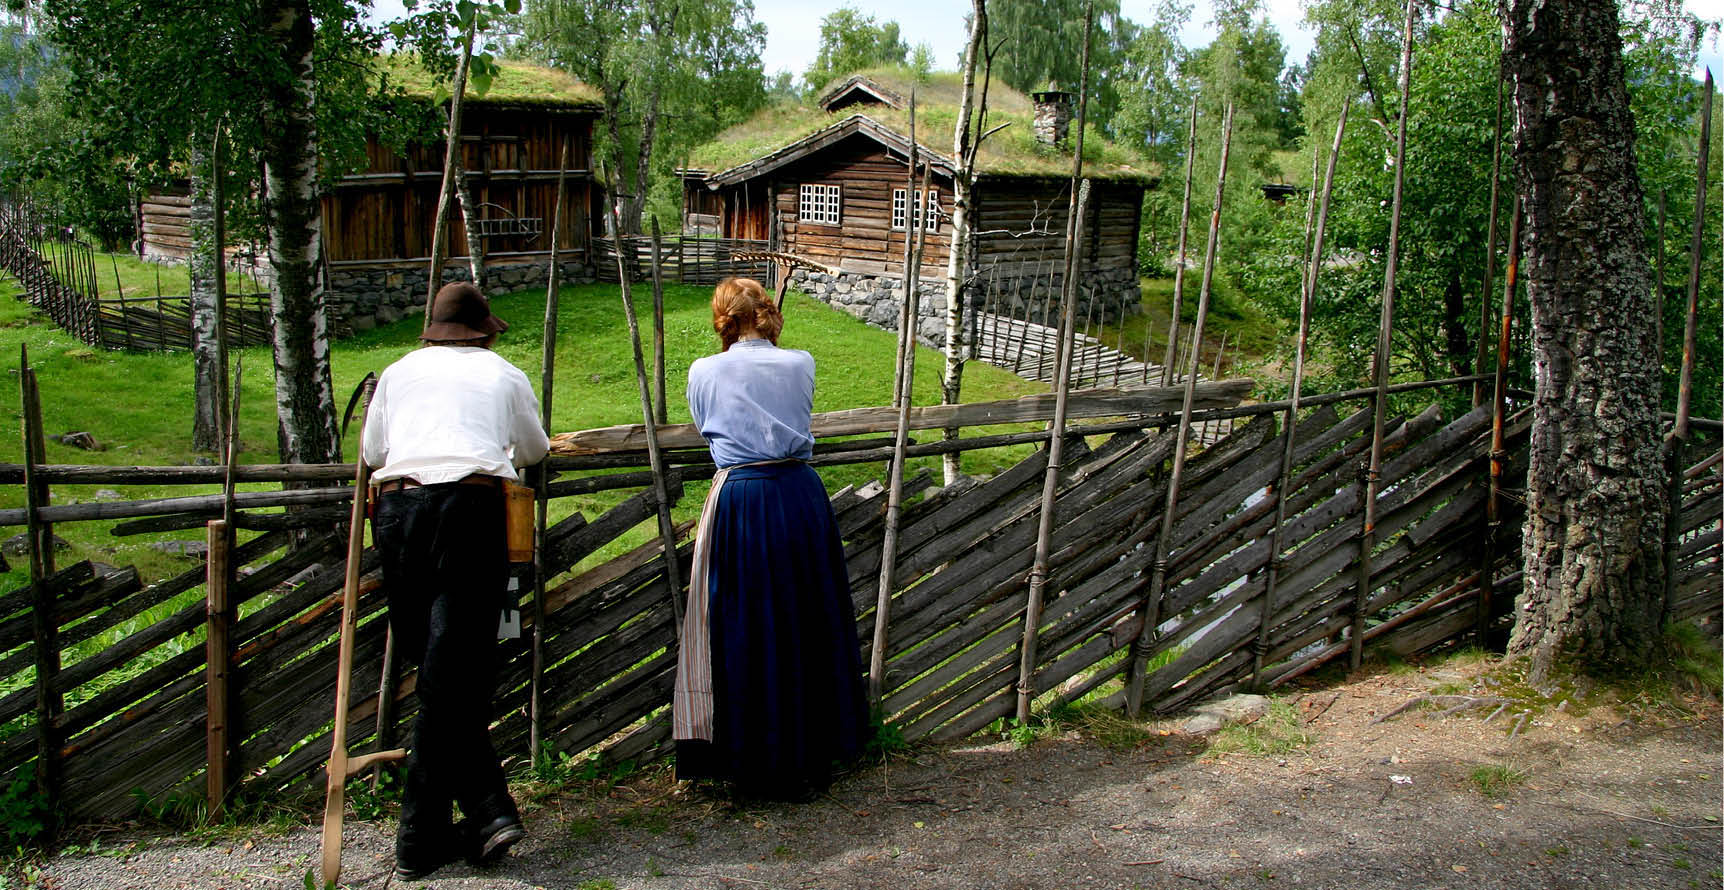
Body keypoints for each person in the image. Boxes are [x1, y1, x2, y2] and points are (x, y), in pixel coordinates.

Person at [361, 281, 549, 880]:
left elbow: (373, 448)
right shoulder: (504, 374)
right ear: (484, 330)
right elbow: (535, 448)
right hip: (469, 509)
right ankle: (418, 837)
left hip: (398, 509)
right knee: (451, 674)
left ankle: (486, 814)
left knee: (437, 668)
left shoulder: (396, 372)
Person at [672, 277, 867, 799]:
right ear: (765, 314)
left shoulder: (702, 372)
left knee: (740, 619)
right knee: (804, 616)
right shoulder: (799, 361)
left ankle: (748, 760)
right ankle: (807, 755)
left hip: (741, 499)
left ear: (724, 320)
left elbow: (704, 424)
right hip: (799, 496)